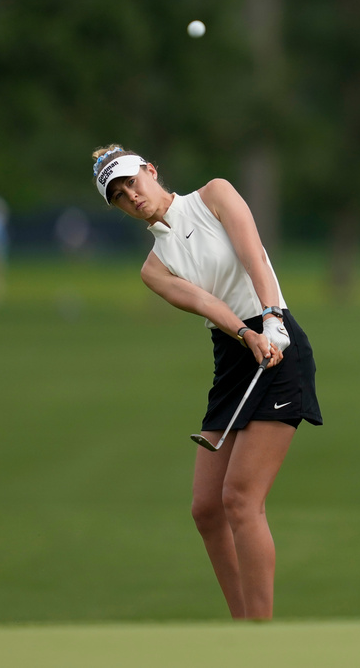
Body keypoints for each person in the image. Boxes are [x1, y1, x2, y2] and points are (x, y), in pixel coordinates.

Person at [91, 145, 322, 620]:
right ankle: (242, 627)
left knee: (240, 499)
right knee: (206, 509)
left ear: (152, 171)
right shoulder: (154, 268)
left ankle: (260, 634)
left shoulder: (214, 194)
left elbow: (253, 254)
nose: (131, 195)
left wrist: (272, 318)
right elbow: (205, 304)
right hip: (236, 354)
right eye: (118, 195)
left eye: (133, 181)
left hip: (279, 345)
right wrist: (245, 333)